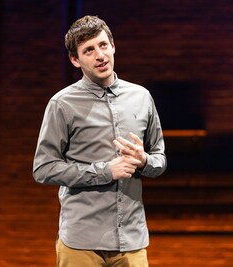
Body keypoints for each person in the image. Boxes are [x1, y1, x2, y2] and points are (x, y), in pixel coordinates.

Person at [33, 15, 167, 267]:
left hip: (132, 239)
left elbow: (159, 160)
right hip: (81, 242)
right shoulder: (62, 104)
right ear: (75, 60)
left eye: (103, 45)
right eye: (89, 50)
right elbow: (43, 169)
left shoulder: (142, 97)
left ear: (113, 45)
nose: (100, 55)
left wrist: (143, 160)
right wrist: (106, 171)